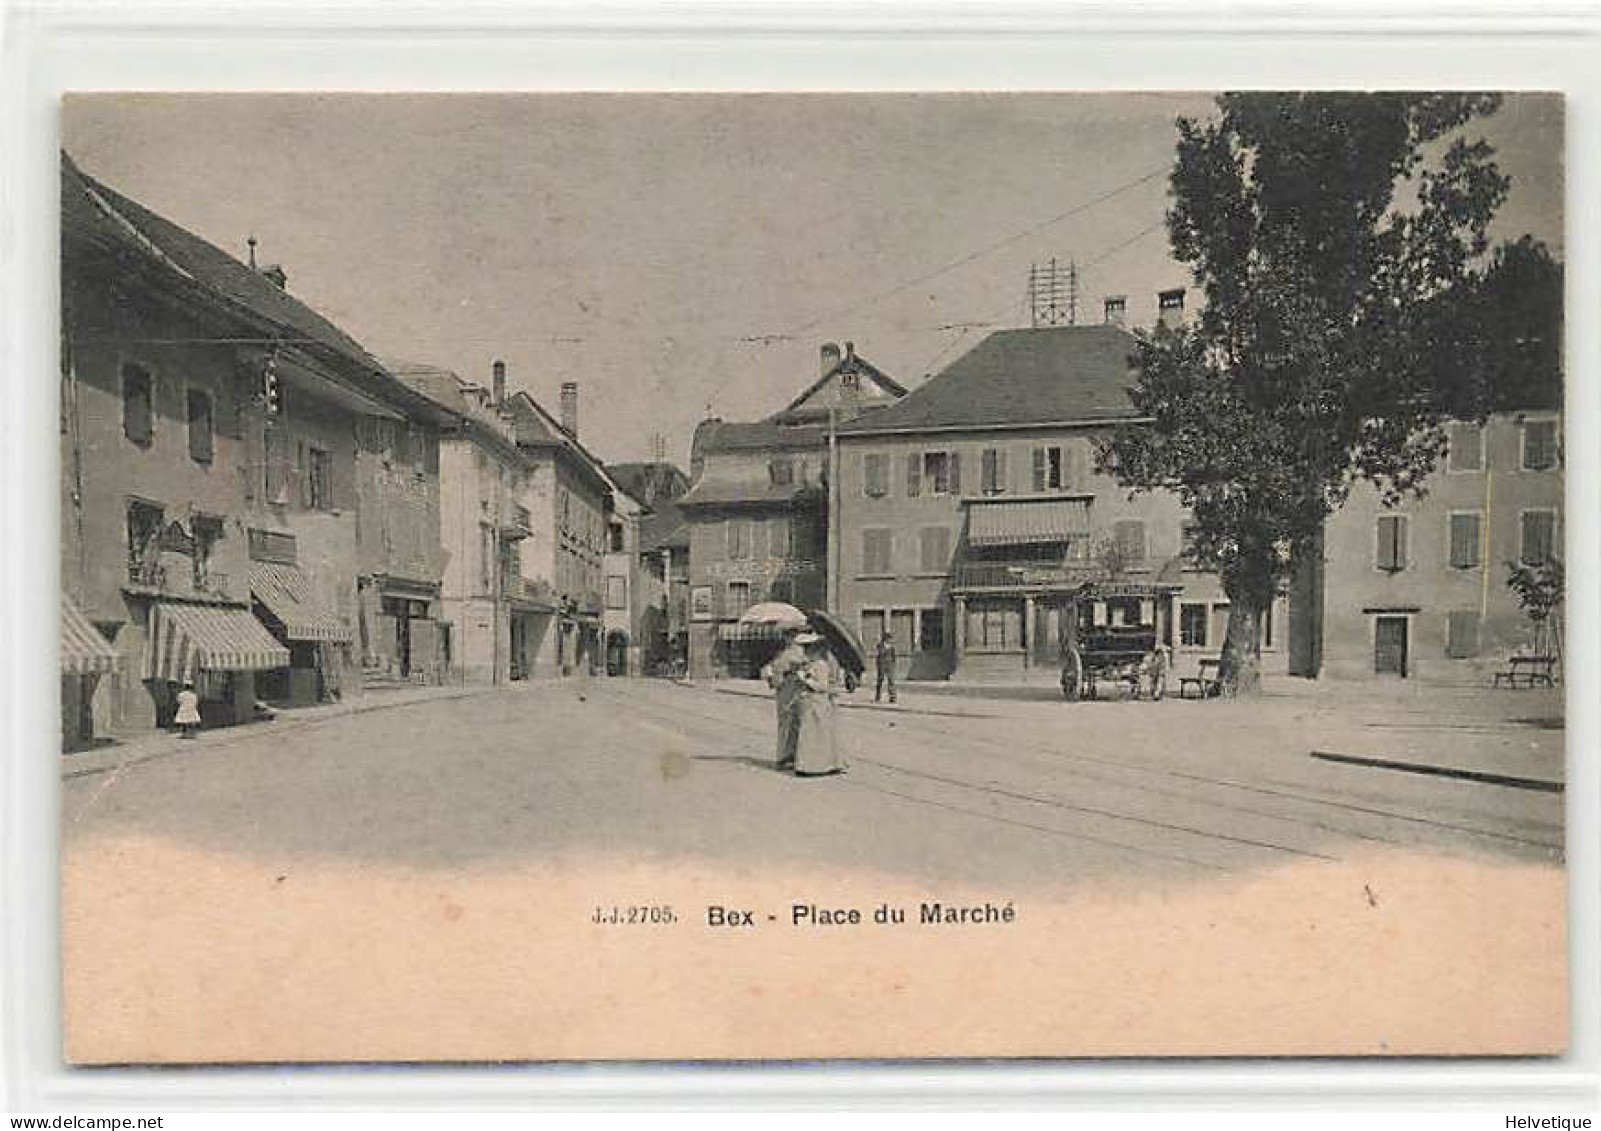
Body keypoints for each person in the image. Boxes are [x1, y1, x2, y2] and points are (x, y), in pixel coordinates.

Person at [792, 633, 847, 777]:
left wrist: (805, 679)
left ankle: (818, 766)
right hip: (810, 702)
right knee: (809, 734)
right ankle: (806, 765)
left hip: (818, 702)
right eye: (804, 648)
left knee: (817, 735)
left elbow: (822, 686)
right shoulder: (810, 664)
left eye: (808, 648)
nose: (805, 652)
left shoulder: (821, 665)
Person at [760, 628, 808, 772]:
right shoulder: (790, 654)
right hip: (789, 692)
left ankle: (786, 756)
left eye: (789, 636)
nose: (787, 639)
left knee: (789, 724)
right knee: (791, 724)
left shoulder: (792, 654)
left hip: (791, 691)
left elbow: (777, 676)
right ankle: (788, 756)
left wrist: (773, 677)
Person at [874, 629, 898, 703]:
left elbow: (894, 657)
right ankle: (878, 696)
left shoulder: (892, 647)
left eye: (890, 639)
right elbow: (878, 655)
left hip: (889, 665)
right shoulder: (880, 646)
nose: (890, 641)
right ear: (885, 639)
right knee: (880, 681)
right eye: (889, 639)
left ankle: (892, 697)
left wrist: (893, 665)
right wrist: (878, 665)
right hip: (882, 665)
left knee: (891, 681)